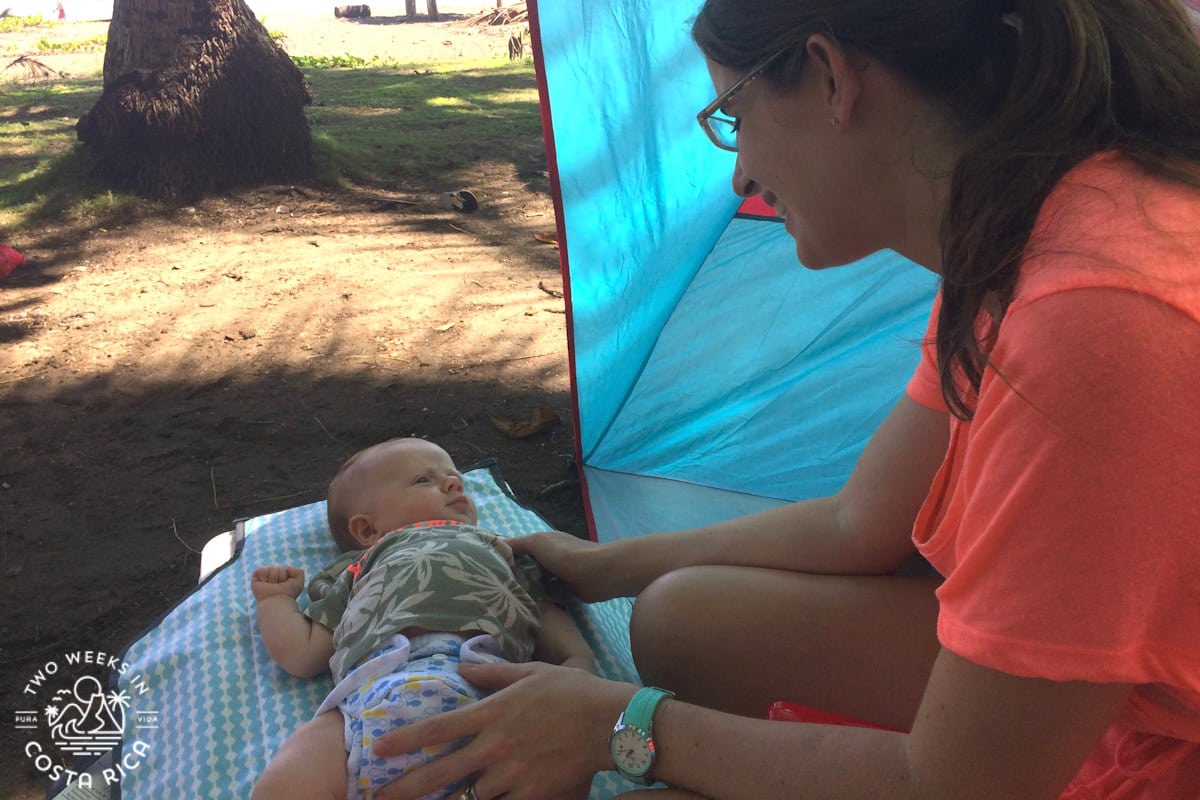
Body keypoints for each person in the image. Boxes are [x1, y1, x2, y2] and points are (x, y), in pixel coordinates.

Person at [367, 1, 1200, 799]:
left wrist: (620, 728)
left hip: (1133, 749)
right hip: (1114, 699)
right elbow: (857, 523)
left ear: (831, 77)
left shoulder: (1094, 322)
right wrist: (599, 567)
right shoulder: (1023, 231)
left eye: (732, 114)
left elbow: (960, 783)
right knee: (678, 619)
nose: (740, 175)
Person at [249, 437, 595, 800]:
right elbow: (302, 654)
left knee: (566, 771)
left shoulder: (504, 552)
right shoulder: (361, 566)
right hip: (369, 700)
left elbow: (553, 630)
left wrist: (577, 676)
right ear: (368, 530)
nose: (453, 483)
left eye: (453, 476)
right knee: (288, 781)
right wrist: (274, 601)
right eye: (423, 480)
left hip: (496, 703)